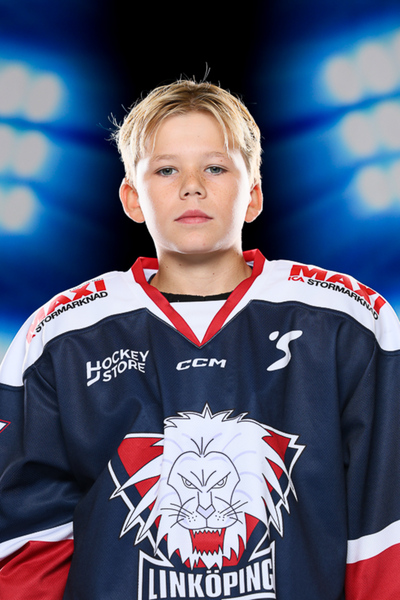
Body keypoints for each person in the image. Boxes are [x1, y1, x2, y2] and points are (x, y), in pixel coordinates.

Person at [1, 78, 400, 600]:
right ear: (132, 197)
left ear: (253, 194)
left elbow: (383, 525)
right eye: (166, 170)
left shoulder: (348, 321)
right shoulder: (60, 335)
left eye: (215, 167)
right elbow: (25, 540)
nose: (192, 187)